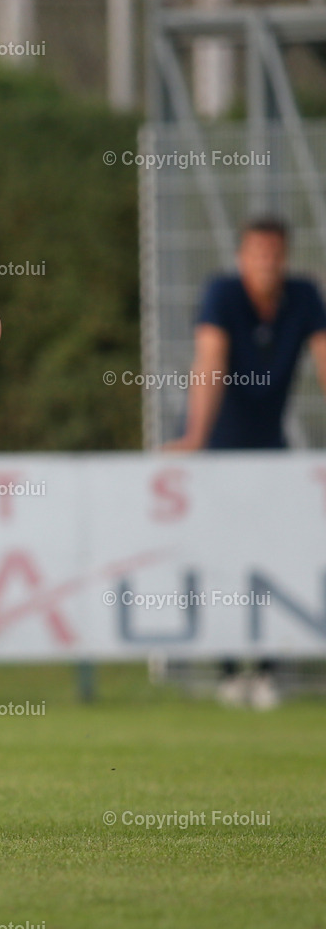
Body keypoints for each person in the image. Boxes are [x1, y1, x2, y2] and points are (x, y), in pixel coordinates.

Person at [166, 215, 326, 708]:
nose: (267, 264)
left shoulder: (303, 295)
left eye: (275, 255)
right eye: (258, 254)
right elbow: (210, 361)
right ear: (242, 258)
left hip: (269, 449)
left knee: (275, 555)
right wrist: (196, 439)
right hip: (216, 446)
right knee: (220, 557)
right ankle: (230, 669)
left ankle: (270, 667)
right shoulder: (223, 293)